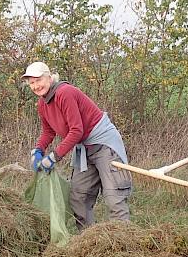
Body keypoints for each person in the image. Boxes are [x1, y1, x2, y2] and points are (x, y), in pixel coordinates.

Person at [23, 62, 132, 230]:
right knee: (78, 196)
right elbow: (48, 132)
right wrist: (38, 150)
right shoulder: (42, 104)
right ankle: (87, 241)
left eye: (39, 80)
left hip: (103, 144)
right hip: (84, 149)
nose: (36, 86)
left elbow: (76, 131)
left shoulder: (64, 93)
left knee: (113, 196)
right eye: (31, 83)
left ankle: (124, 242)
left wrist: (54, 157)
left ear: (49, 77)